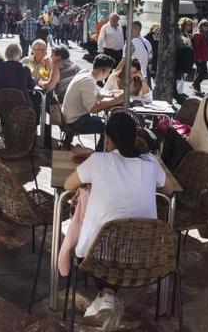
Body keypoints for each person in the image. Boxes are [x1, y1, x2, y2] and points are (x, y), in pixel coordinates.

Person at [62, 113, 178, 328]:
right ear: (134, 138)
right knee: (119, 244)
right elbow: (169, 189)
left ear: (108, 138)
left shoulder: (98, 161)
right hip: (145, 255)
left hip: (97, 255)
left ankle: (106, 295)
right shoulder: (150, 162)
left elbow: (68, 184)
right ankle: (108, 296)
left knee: (102, 241)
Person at [61, 54, 122, 151]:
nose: (108, 75)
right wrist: (116, 100)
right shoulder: (88, 81)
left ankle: (101, 152)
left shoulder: (86, 74)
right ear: (104, 71)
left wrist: (114, 94)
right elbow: (93, 109)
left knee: (109, 123)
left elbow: (99, 93)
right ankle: (100, 154)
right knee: (111, 127)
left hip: (73, 117)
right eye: (109, 72)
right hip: (76, 121)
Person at [191, 19, 208, 96]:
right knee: (204, 72)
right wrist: (198, 57)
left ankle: (197, 90)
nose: (206, 27)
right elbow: (195, 47)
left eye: (207, 25)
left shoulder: (207, 34)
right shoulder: (198, 35)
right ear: (201, 26)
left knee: (198, 72)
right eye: (204, 25)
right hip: (199, 57)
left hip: (205, 57)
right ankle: (194, 84)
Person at [175, 17, 194, 100]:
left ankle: (180, 92)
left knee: (184, 77)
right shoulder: (180, 34)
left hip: (188, 59)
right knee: (180, 78)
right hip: (182, 58)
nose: (190, 26)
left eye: (191, 25)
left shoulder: (189, 35)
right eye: (188, 24)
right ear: (183, 25)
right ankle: (178, 93)